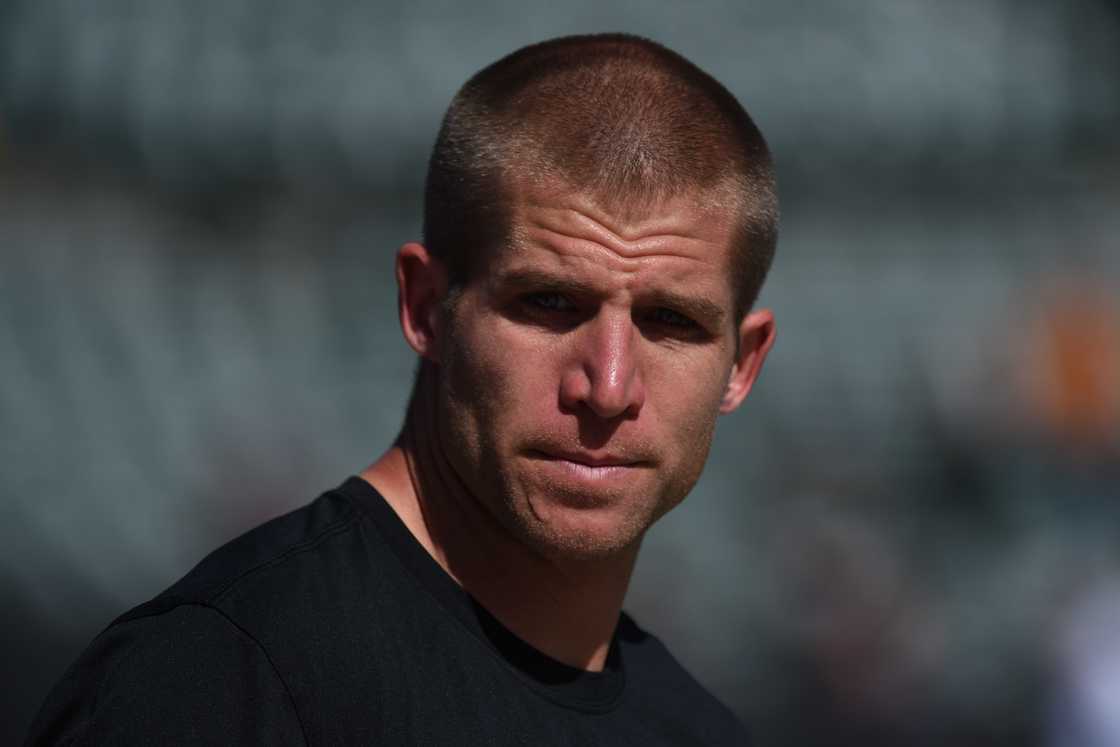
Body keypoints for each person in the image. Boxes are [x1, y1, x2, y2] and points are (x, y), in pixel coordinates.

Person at [27, 32, 777, 745]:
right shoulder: (220, 676)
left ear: (741, 365)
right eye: (549, 302)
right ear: (425, 307)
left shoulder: (700, 732)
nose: (608, 385)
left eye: (671, 321)